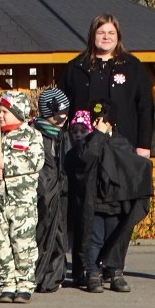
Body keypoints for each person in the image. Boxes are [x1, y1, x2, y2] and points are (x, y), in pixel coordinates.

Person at [76, 99, 153, 294]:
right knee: (94, 239)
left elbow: (132, 169)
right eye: (93, 119)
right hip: (95, 202)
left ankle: (115, 272)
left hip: (117, 202)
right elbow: (87, 158)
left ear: (111, 121)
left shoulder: (122, 143)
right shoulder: (89, 141)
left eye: (100, 119)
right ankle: (93, 273)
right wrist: (98, 136)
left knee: (116, 237)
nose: (95, 123)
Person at [0, 91, 44, 304]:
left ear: (18, 112)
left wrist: (8, 167)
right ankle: (7, 284)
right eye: (0, 112)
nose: (2, 116)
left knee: (22, 243)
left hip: (21, 203)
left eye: (6, 112)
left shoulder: (32, 136)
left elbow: (36, 162)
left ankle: (24, 285)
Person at [58, 13, 154, 158]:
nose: (106, 37)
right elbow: (61, 105)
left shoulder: (132, 66)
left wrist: (144, 145)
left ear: (118, 36)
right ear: (92, 35)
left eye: (111, 33)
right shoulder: (76, 67)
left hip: (124, 147)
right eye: (101, 32)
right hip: (84, 147)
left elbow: (145, 107)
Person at [31, 87, 72, 293]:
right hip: (42, 193)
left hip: (60, 193)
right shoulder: (35, 135)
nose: (64, 117)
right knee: (41, 232)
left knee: (58, 234)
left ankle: (53, 275)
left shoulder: (64, 136)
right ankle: (37, 275)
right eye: (59, 113)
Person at [64, 110, 93, 286]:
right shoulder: (70, 153)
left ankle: (88, 268)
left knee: (87, 235)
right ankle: (77, 271)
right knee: (75, 236)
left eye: (82, 131)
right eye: (75, 131)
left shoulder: (92, 152)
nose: (78, 135)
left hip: (87, 198)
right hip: (73, 198)